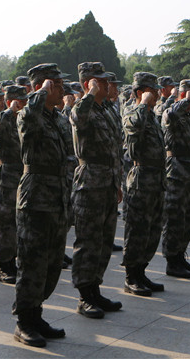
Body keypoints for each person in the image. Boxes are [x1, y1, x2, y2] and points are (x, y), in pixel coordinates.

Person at [13, 63, 71, 348]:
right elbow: (27, 118)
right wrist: (39, 93)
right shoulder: (28, 113)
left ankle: (37, 314)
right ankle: (24, 321)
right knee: (32, 262)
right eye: (56, 84)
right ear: (42, 87)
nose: (62, 89)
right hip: (35, 197)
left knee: (51, 263)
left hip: (57, 196)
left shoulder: (58, 118)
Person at [70, 62, 123, 318]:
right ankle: (84, 295)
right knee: (88, 242)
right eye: (99, 80)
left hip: (108, 182)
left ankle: (95, 289)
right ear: (88, 83)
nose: (106, 84)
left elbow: (116, 148)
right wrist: (89, 93)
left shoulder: (107, 110)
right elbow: (77, 116)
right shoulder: (84, 107)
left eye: (105, 80)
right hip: (89, 183)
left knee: (104, 241)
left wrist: (118, 182)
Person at [121, 72, 166, 296]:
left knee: (152, 230)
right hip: (140, 179)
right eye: (152, 90)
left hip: (156, 179)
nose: (157, 94)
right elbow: (133, 127)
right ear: (140, 92)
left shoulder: (152, 115)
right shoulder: (132, 111)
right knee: (137, 230)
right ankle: (131, 276)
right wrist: (143, 103)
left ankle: (142, 271)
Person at [161, 79, 190, 278]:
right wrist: (184, 100)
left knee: (188, 218)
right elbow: (170, 115)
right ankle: (172, 261)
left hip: (189, 170)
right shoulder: (173, 111)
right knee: (175, 218)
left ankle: (180, 257)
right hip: (176, 171)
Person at [0, 85, 29, 284]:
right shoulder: (3, 120)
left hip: (23, 176)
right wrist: (9, 111)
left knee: (19, 222)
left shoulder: (25, 121)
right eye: (19, 101)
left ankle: (15, 260)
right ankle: (4, 266)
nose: (23, 105)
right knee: (5, 223)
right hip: (7, 177)